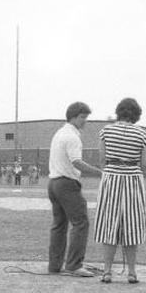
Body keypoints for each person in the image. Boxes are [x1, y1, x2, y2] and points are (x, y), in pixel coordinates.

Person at [95, 98, 146, 284]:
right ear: (136, 114)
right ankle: (132, 272)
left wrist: (111, 170)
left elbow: (102, 159)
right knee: (132, 225)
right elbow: (145, 163)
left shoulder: (106, 131)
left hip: (110, 177)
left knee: (108, 224)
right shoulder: (142, 134)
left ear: (119, 112)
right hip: (133, 179)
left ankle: (107, 271)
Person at [47, 101, 101, 277]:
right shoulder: (72, 136)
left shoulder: (59, 133)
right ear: (74, 117)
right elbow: (76, 161)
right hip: (66, 184)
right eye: (83, 117)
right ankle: (74, 265)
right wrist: (101, 173)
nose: (85, 121)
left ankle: (55, 265)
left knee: (59, 225)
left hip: (53, 183)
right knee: (81, 222)